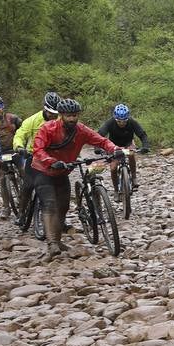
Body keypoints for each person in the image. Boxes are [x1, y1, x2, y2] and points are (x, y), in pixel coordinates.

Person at [31, 97, 122, 259]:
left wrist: (114, 149)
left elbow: (100, 140)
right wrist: (52, 161)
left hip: (62, 173)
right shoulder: (47, 128)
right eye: (68, 116)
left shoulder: (81, 130)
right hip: (43, 171)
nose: (72, 119)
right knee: (50, 204)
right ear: (61, 115)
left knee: (64, 206)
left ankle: (58, 241)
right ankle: (51, 243)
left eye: (75, 115)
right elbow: (38, 149)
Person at [12, 92, 60, 221]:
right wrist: (19, 146)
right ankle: (22, 213)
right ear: (45, 108)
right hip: (33, 156)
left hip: (54, 156)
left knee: (59, 186)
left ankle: (60, 217)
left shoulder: (60, 120)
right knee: (28, 185)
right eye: (50, 113)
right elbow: (20, 134)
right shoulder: (32, 120)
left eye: (55, 114)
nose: (53, 116)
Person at [99, 103, 149, 194]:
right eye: (119, 121)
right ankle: (116, 191)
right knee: (113, 167)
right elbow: (99, 135)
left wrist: (145, 146)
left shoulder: (132, 122)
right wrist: (97, 148)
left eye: (124, 121)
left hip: (128, 143)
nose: (122, 123)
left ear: (127, 118)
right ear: (115, 118)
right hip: (113, 146)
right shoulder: (110, 122)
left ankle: (134, 178)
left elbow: (142, 135)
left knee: (131, 153)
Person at [0, 95, 22, 217]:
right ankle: (6, 208)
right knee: (2, 179)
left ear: (3, 107)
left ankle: (28, 198)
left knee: (24, 172)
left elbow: (24, 132)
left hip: (15, 151)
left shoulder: (13, 119)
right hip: (1, 154)